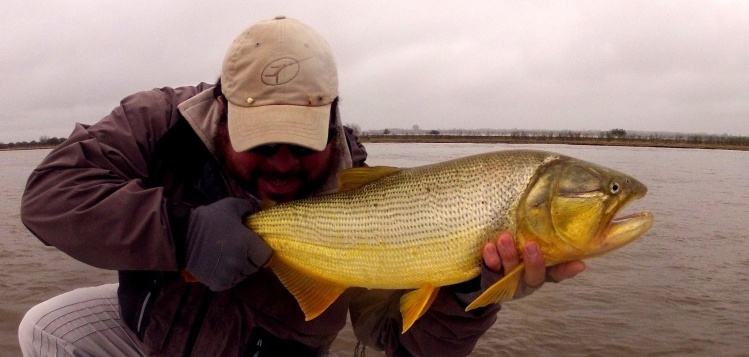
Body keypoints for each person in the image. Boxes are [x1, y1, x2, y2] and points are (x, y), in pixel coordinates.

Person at [18, 16, 584, 357]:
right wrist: (182, 232)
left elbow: (403, 343)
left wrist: (464, 299)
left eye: (302, 143)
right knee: (43, 327)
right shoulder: (159, 121)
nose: (282, 164)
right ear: (221, 112)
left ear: (333, 122)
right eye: (261, 142)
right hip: (153, 335)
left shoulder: (360, 195)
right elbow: (49, 197)